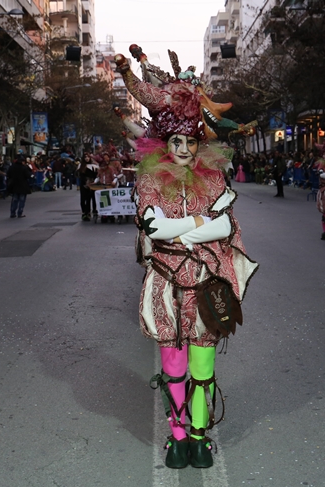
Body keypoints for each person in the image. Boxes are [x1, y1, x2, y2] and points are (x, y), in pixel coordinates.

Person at [116, 45, 258, 469]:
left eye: (191, 141)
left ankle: (199, 435)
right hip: (164, 282)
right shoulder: (149, 178)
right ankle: (177, 437)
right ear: (165, 140)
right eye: (176, 140)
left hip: (208, 281)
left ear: (199, 142)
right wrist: (200, 223)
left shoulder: (213, 175)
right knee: (173, 365)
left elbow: (225, 226)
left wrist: (187, 227)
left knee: (203, 364)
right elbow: (153, 227)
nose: (183, 149)